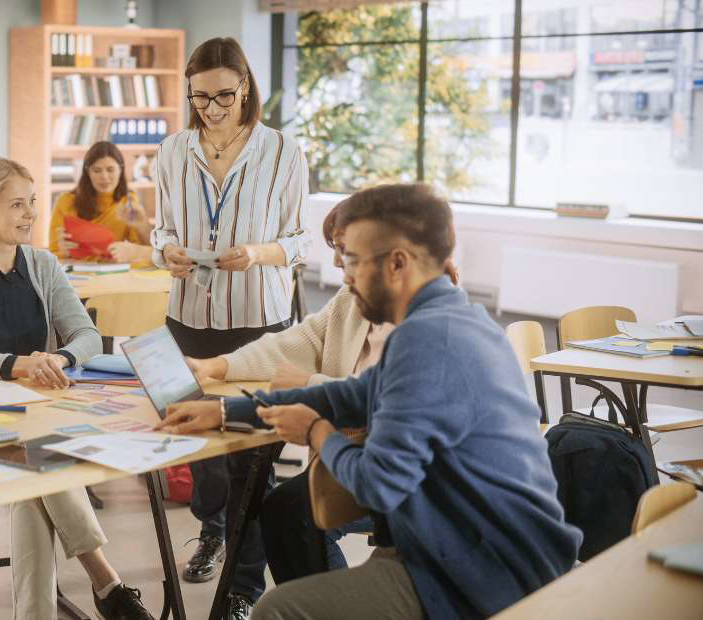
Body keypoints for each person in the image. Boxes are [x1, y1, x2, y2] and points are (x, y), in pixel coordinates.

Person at [158, 183, 581, 620]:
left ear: (398, 263)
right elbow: (345, 395)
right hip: (468, 539)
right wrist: (226, 410)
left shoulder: (429, 340)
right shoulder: (453, 320)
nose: (344, 273)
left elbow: (378, 482)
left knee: (278, 609)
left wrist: (315, 432)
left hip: (487, 568)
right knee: (292, 515)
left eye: (354, 260)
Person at [0, 157, 152, 620]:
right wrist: (19, 366)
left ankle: (46, 611)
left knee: (33, 477)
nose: (31, 214)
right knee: (39, 462)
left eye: (32, 202)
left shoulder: (43, 264)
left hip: (38, 414)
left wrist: (60, 359)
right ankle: (105, 580)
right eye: (17, 204)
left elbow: (86, 335)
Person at [151, 36, 308, 617]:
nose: (211, 109)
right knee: (198, 443)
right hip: (188, 314)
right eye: (199, 97)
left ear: (245, 87)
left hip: (258, 320)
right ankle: (213, 529)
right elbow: (160, 229)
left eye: (223, 95)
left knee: (250, 455)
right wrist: (165, 251)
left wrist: (260, 253)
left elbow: (300, 241)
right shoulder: (172, 150)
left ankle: (244, 586)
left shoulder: (283, 151)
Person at [50, 141, 152, 264]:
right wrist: (63, 252)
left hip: (114, 271)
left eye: (110, 170)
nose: (104, 177)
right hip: (77, 271)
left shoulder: (128, 201)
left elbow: (139, 250)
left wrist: (142, 228)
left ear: (120, 170)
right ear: (88, 172)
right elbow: (53, 252)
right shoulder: (65, 201)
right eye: (97, 170)